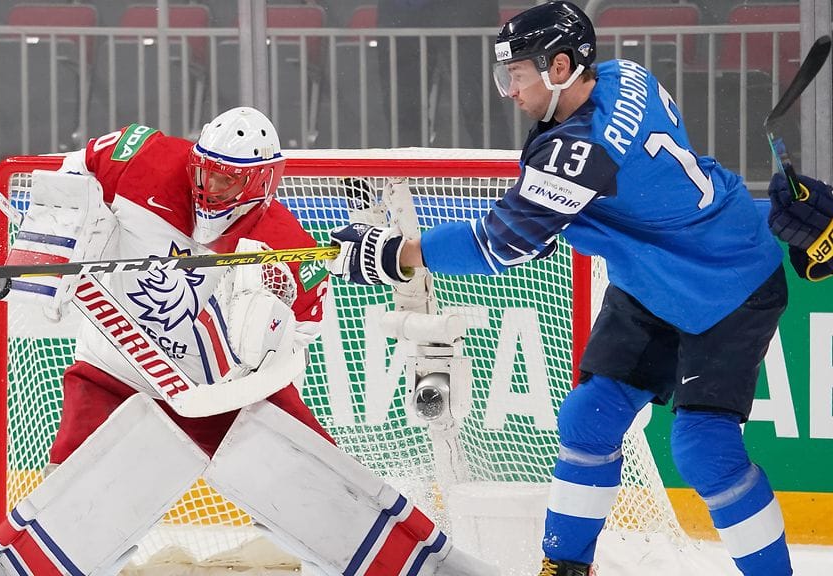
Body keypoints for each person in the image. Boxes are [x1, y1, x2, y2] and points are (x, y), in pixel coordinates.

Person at [327, 3, 793, 575]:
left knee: (704, 450)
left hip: (729, 282)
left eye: (517, 74)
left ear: (562, 66)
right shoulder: (626, 74)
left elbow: (502, 243)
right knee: (588, 420)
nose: (509, 92)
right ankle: (568, 568)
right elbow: (546, 220)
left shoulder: (580, 151)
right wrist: (540, 221)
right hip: (652, 277)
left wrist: (397, 254)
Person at [0, 107, 498, 576]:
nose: (209, 187)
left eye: (230, 179)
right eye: (205, 171)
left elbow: (301, 333)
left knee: (316, 476)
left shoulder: (284, 246)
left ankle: (299, 553)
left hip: (222, 389)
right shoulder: (144, 158)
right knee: (73, 484)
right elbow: (73, 173)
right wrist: (37, 251)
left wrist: (258, 339)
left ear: (262, 181)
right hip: (119, 364)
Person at [376, 0, 506, 148]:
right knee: (402, 110)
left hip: (465, 15)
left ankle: (499, 168)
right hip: (402, 16)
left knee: (480, 107)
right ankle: (406, 169)